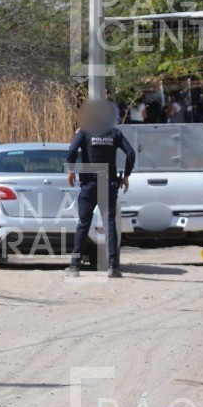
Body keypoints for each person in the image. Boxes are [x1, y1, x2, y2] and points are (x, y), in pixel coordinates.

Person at [64, 100, 136, 278]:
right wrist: (126, 175)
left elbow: (72, 150)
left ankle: (74, 267)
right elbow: (131, 153)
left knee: (83, 224)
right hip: (109, 183)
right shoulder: (115, 133)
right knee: (110, 225)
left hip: (89, 184)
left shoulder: (84, 133)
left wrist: (71, 170)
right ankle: (113, 267)